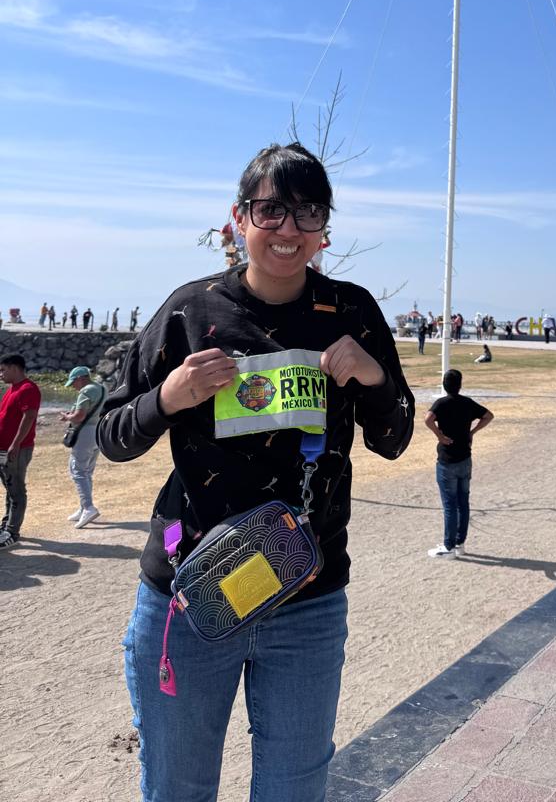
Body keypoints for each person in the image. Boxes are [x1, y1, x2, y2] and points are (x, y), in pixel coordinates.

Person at [97, 141, 414, 801]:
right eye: (271, 212)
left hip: (307, 600)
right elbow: (112, 437)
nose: (288, 231)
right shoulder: (191, 311)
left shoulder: (351, 312)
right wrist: (168, 398)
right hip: (191, 597)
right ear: (237, 220)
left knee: (294, 791)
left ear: (325, 228)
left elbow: (394, 437)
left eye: (307, 213)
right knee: (178, 788)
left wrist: (376, 378)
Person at [424, 369, 493, 557]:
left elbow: (427, 419)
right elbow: (488, 415)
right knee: (463, 502)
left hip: (447, 460)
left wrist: (439, 435)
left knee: (450, 505)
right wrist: (472, 432)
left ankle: (448, 546)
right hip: (465, 458)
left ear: (444, 384)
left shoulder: (441, 404)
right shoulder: (467, 403)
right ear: (460, 384)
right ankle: (460, 543)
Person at [0, 354, 41, 550]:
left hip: (17, 449)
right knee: (9, 488)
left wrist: (15, 444)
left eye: (3, 370)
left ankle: (13, 532)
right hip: (4, 448)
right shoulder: (12, 389)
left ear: (15, 368)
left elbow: (30, 416)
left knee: (16, 490)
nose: (1, 374)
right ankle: (6, 525)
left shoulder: (28, 389)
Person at [59, 366, 107, 528]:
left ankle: (88, 507)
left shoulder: (86, 391)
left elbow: (79, 416)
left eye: (74, 382)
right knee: (87, 471)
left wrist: (67, 417)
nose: (73, 386)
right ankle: (83, 507)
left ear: (81, 378)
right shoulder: (101, 388)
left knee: (78, 470)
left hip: (85, 434)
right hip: (98, 432)